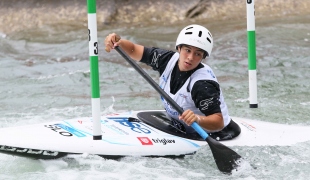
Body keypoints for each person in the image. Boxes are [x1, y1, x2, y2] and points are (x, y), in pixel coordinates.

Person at [104, 24, 240, 141]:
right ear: (179, 48)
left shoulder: (202, 85)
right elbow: (134, 49)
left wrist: (198, 119)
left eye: (198, 54)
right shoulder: (166, 59)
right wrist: (119, 42)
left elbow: (218, 121)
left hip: (216, 133)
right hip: (181, 126)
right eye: (187, 50)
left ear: (203, 57)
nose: (190, 58)